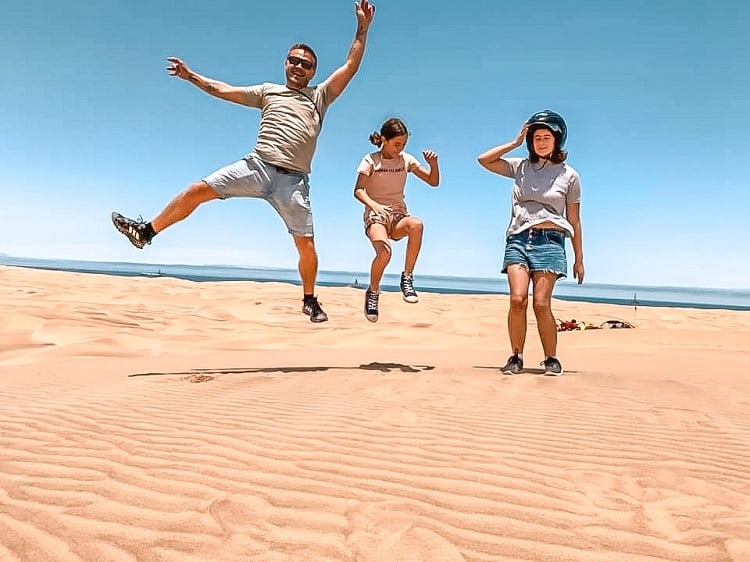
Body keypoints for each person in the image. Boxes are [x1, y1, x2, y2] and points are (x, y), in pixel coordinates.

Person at [111, 0, 376, 323]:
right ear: (285, 63)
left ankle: (310, 299)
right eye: (294, 60)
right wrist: (189, 75)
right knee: (198, 190)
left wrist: (362, 27)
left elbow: (351, 65)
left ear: (313, 72)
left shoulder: (319, 97)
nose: (298, 67)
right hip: (256, 166)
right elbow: (224, 90)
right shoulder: (268, 92)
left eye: (305, 64)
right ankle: (146, 232)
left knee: (306, 245)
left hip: (293, 182)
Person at [477, 109, 584, 375]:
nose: (541, 142)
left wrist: (579, 259)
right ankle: (516, 356)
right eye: (536, 137)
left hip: (551, 241)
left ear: (557, 140)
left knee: (540, 303)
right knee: (517, 299)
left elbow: (575, 219)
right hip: (518, 239)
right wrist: (514, 143)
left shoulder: (569, 175)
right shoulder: (521, 167)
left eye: (546, 137)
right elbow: (484, 160)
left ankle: (551, 358)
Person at [353, 118, 439, 322]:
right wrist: (374, 205)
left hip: (399, 216)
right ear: (384, 139)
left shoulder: (406, 160)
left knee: (416, 224)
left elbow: (433, 181)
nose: (400, 149)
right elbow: (358, 190)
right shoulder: (370, 160)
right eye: (396, 144)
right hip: (376, 217)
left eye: (404, 145)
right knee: (384, 252)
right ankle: (373, 292)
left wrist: (433, 165)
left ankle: (407, 278)